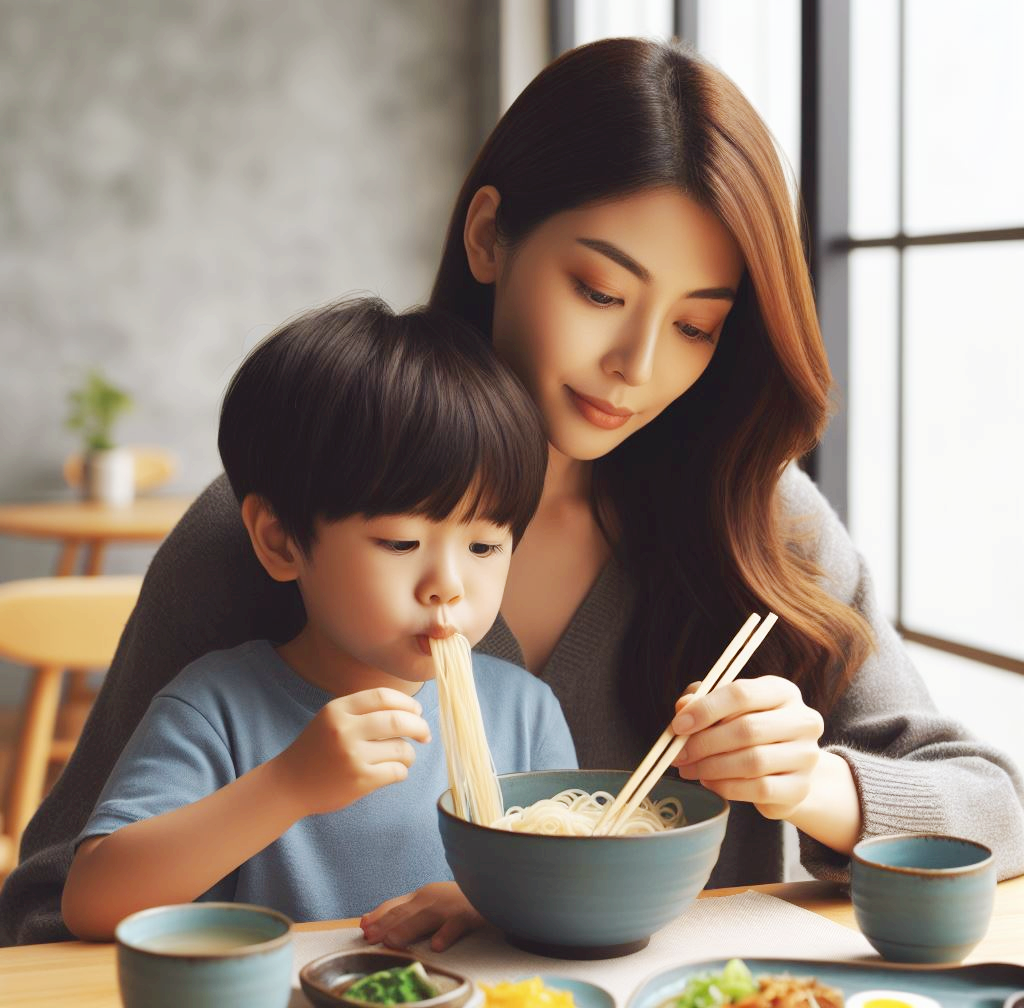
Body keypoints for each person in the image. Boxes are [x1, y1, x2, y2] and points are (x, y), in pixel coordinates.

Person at [3, 37, 1022, 947]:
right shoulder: (270, 515)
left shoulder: (762, 522)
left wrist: (817, 788)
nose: (635, 363)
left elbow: (995, 807)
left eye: (696, 326)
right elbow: (54, 903)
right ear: (490, 237)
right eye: (599, 292)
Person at [58, 298, 577, 943]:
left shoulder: (524, 713)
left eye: (483, 547)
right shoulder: (217, 710)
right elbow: (92, 901)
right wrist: (288, 785)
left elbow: (568, 894)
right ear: (280, 542)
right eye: (399, 544)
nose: (447, 585)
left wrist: (486, 904)